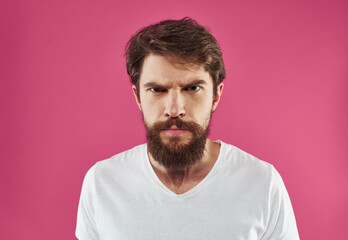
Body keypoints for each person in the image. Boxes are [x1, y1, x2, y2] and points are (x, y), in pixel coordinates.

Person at [75, 17, 300, 240]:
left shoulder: (262, 183)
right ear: (138, 97)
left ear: (216, 95)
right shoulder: (102, 182)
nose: (174, 109)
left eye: (192, 88)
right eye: (157, 90)